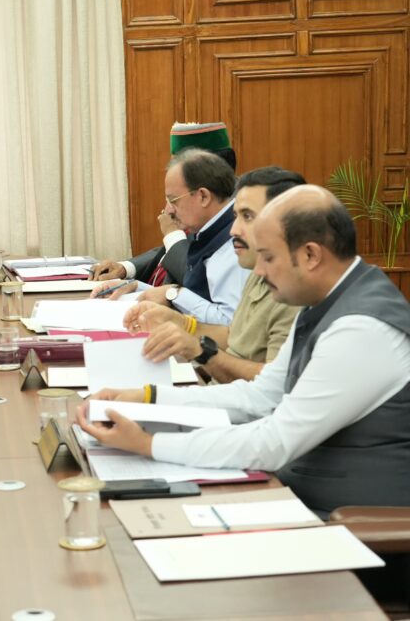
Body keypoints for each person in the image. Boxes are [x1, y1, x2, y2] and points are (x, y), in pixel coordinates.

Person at [78, 186, 410, 515]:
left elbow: (275, 442)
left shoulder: (361, 328)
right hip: (296, 493)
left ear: (310, 255)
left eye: (268, 257)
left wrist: (148, 444)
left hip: (347, 524)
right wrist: (146, 398)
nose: (259, 271)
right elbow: (259, 398)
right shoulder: (327, 300)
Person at [123, 167, 304, 384]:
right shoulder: (258, 273)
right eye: (236, 216)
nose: (233, 230)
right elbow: (234, 338)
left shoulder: (296, 295)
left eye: (247, 216)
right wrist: (180, 323)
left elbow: (273, 386)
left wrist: (198, 350)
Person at [91, 148, 249, 326]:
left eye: (174, 200)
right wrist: (137, 287)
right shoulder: (210, 230)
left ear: (203, 196)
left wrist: (174, 294)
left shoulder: (234, 241)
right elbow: (197, 297)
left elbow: (230, 323)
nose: (168, 210)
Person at [91, 122, 235, 286]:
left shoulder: (232, 215)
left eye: (174, 200)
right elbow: (168, 250)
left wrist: (172, 234)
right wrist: (126, 268)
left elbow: (198, 279)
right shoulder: (195, 206)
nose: (167, 210)